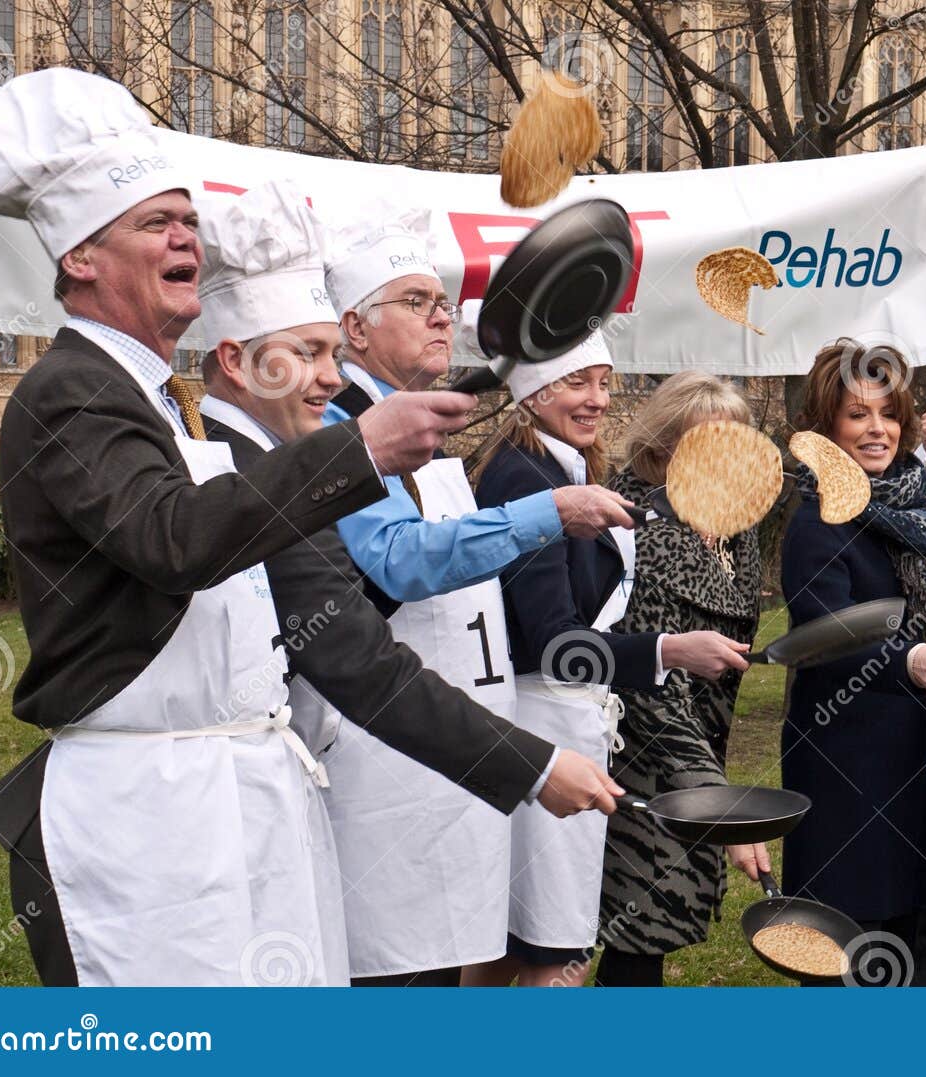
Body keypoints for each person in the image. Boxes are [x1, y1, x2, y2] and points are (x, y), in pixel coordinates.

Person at [0, 70, 480, 986]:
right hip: (143, 814)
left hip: (224, 799)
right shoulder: (68, 388)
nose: (184, 237)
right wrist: (359, 449)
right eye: (156, 223)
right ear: (81, 258)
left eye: (188, 222)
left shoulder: (162, 402)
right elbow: (175, 537)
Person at [313, 206, 634, 987]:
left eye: (442, 301)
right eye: (416, 301)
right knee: (388, 987)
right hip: (384, 766)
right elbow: (398, 561)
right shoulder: (341, 426)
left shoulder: (418, 434)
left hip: (449, 764)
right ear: (354, 328)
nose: (441, 317)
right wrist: (546, 513)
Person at [472, 342, 751, 986]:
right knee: (551, 951)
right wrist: (668, 650)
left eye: (604, 383)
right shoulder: (528, 475)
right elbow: (552, 642)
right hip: (559, 727)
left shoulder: (566, 470)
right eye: (578, 383)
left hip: (577, 725)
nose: (597, 399)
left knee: (522, 946)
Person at [779, 339, 926, 983]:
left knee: (905, 938)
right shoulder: (817, 521)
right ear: (826, 428)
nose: (877, 429)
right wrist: (907, 659)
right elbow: (827, 636)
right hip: (845, 763)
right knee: (846, 944)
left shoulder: (910, 511)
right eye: (857, 415)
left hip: (912, 757)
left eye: (888, 414)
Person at [592, 373, 768, 987]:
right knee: (636, 925)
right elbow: (647, 685)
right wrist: (719, 801)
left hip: (696, 750)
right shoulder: (637, 529)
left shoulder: (734, 530)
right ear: (662, 449)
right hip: (638, 757)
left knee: (650, 932)